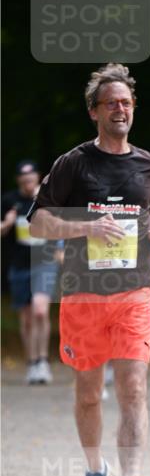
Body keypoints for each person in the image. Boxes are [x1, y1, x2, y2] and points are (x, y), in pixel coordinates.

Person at [28, 62, 150, 476]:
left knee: (133, 387)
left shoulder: (148, 163)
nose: (120, 110)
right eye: (111, 103)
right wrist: (88, 226)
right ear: (94, 111)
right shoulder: (74, 163)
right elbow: (39, 222)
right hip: (84, 293)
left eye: (126, 102)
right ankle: (95, 471)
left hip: (135, 291)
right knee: (89, 393)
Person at [1, 161, 61, 383]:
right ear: (19, 181)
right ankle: (31, 362)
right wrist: (6, 224)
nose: (28, 183)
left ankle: (43, 361)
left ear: (38, 177)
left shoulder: (48, 199)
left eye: (31, 179)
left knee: (40, 311)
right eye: (24, 180)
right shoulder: (9, 201)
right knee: (26, 318)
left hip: (44, 262)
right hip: (18, 265)